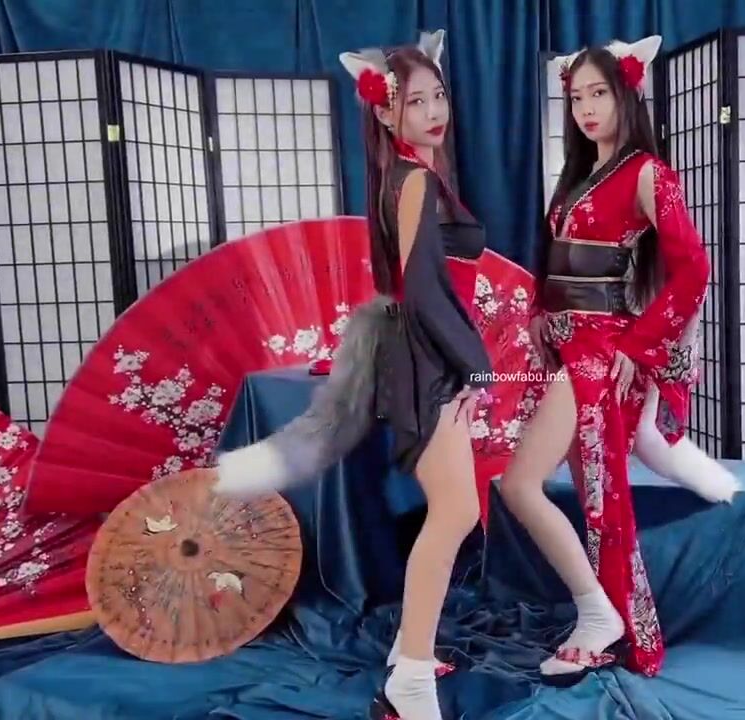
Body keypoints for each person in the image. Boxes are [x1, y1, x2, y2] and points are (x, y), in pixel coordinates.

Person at [213, 30, 486, 720]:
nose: (433, 111)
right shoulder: (414, 180)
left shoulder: (408, 174)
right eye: (415, 101)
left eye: (438, 95)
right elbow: (423, 293)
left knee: (452, 509)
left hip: (417, 353)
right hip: (427, 358)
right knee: (456, 511)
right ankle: (409, 682)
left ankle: (408, 655)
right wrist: (476, 368)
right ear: (385, 112)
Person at [498, 35, 712, 685]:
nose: (588, 108)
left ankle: (602, 619)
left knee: (533, 485)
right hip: (564, 344)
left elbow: (693, 270)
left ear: (627, 95)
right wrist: (541, 313)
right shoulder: (576, 175)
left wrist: (638, 348)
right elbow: (560, 266)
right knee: (597, 496)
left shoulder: (648, 173)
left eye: (600, 93)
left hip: (601, 350)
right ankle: (609, 619)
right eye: (577, 97)